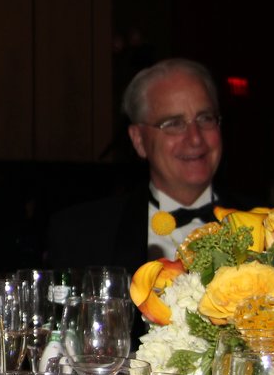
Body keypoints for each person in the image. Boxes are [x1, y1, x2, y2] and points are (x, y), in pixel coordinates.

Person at [48, 57, 249, 275]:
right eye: (174, 123)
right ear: (139, 140)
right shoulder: (81, 234)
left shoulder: (268, 227)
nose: (195, 139)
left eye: (205, 118)